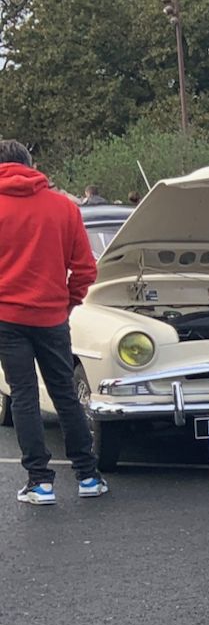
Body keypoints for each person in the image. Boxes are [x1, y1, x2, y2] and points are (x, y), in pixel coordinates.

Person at [0, 140, 107, 504]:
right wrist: (68, 302)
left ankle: (39, 481)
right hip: (51, 315)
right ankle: (87, 475)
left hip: (7, 316)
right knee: (64, 392)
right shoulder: (63, 207)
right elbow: (84, 268)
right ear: (32, 165)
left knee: (23, 395)